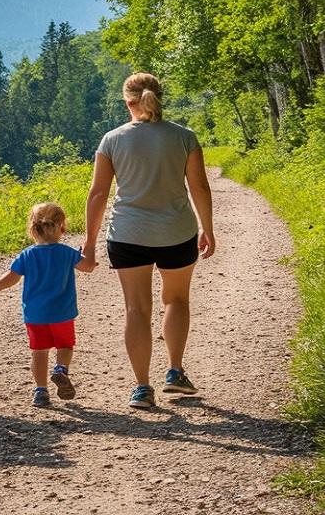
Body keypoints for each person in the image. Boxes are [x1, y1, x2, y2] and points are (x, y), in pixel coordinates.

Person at [81, 72, 214, 410]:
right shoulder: (184, 137)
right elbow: (199, 187)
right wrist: (208, 228)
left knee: (136, 309)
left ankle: (142, 387)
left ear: (128, 102)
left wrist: (90, 240)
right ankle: (174, 372)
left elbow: (98, 193)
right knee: (177, 300)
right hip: (177, 232)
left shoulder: (112, 140)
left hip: (128, 234)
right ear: (160, 97)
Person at [0, 202, 96, 407]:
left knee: (39, 351)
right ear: (62, 227)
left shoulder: (27, 255)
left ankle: (40, 391)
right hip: (62, 313)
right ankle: (61, 369)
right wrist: (89, 250)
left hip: (36, 315)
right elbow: (88, 267)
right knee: (65, 345)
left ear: (32, 228)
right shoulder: (67, 253)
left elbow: (10, 278)